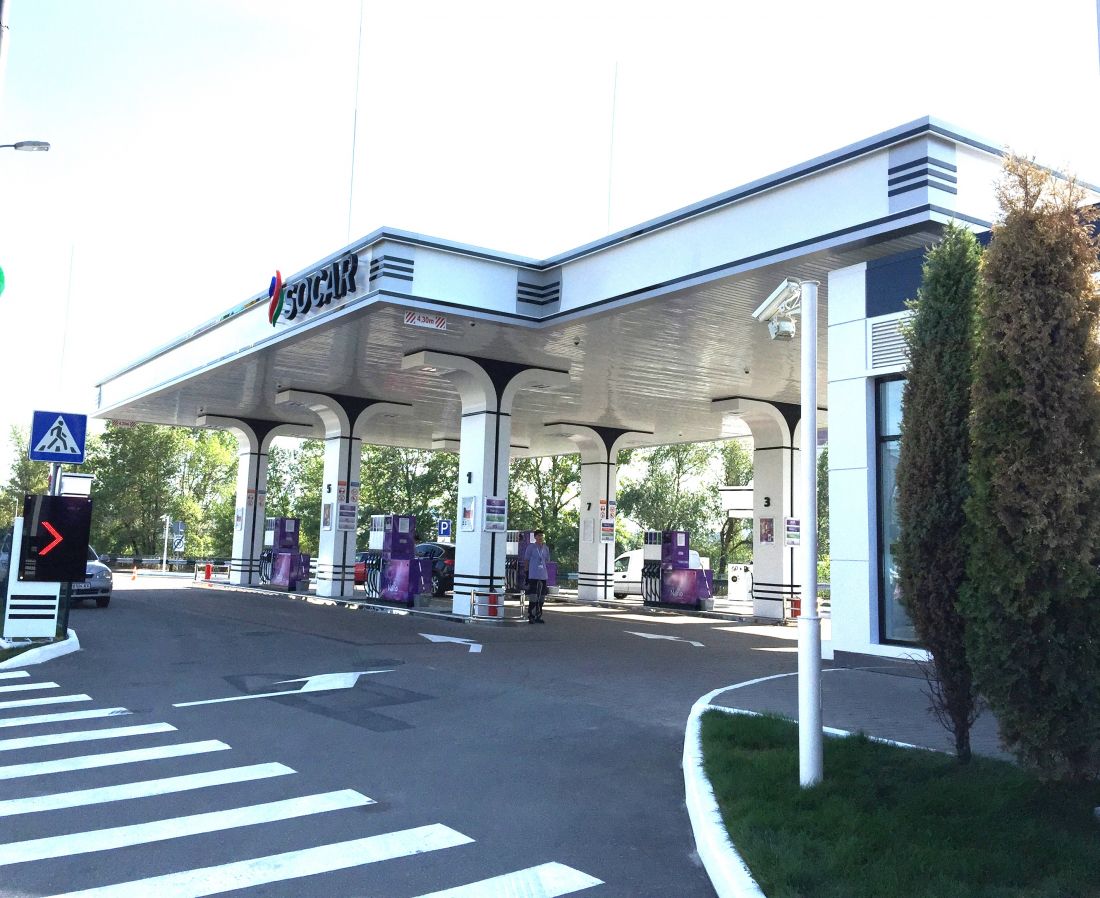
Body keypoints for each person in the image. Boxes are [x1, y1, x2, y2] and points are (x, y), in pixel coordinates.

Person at [526, 530, 551, 623]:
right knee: (533, 596)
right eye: (539, 535)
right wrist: (526, 572)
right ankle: (531, 616)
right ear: (535, 537)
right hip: (533, 575)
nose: (540, 537)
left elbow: (547, 560)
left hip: (543, 575)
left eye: (542, 535)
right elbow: (526, 560)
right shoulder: (531, 547)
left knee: (541, 597)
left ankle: (538, 616)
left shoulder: (546, 548)